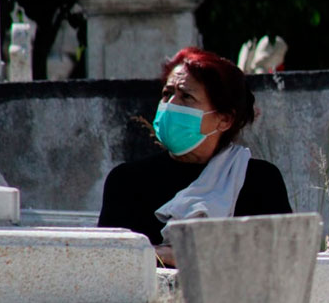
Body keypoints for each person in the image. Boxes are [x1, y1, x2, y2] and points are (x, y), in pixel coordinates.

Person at [98, 47, 292, 266]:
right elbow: (111, 261)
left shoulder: (259, 181)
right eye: (167, 93)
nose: (170, 104)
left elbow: (282, 260)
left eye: (186, 96)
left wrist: (182, 255)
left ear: (224, 120)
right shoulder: (127, 182)